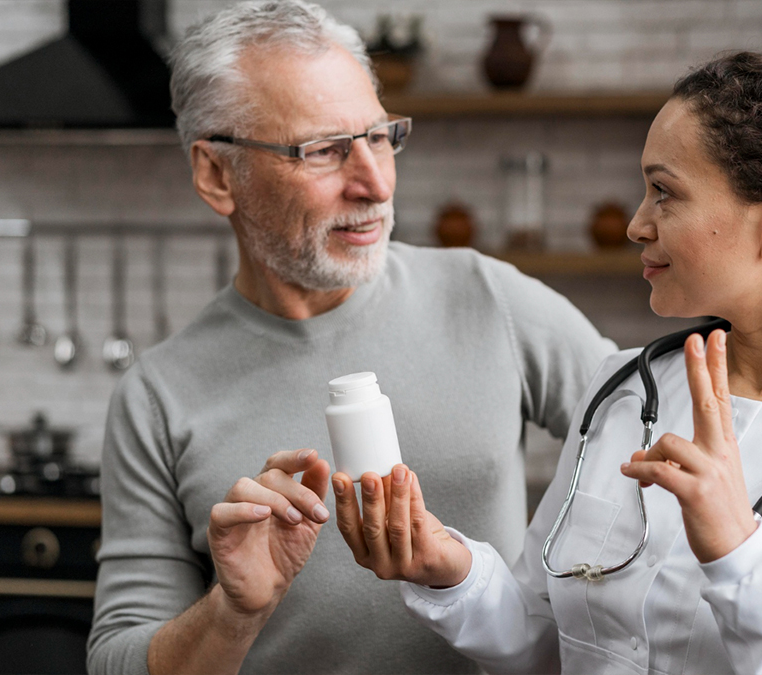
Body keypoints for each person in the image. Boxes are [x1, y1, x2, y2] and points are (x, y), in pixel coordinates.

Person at [335, 51, 762, 674]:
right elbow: (546, 646)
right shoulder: (622, 389)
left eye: (664, 193)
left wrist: (739, 551)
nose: (636, 224)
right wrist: (453, 571)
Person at [85, 2, 614, 674]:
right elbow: (117, 660)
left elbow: (658, 450)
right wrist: (233, 612)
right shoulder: (156, 396)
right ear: (218, 175)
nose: (375, 182)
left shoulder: (488, 298)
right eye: (325, 150)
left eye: (380, 137)